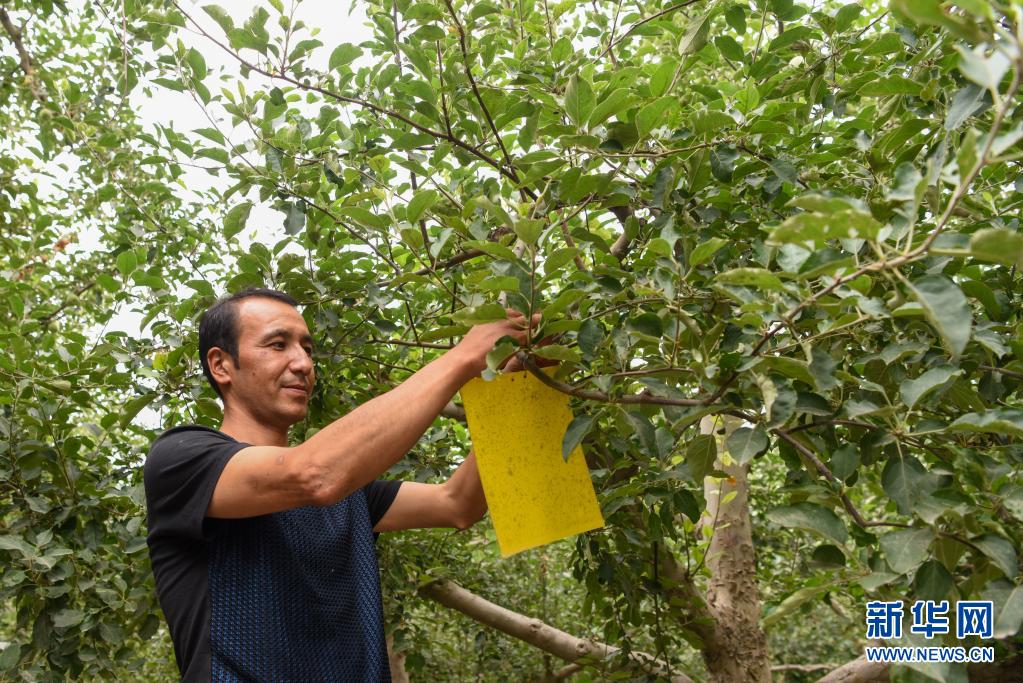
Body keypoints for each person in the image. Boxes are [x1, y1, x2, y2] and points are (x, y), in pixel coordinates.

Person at [144, 287, 538, 682]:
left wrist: (518, 385)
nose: (303, 363)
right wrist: (464, 357)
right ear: (221, 365)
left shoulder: (350, 493)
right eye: (278, 345)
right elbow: (314, 473)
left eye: (307, 349)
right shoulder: (183, 458)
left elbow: (458, 504)